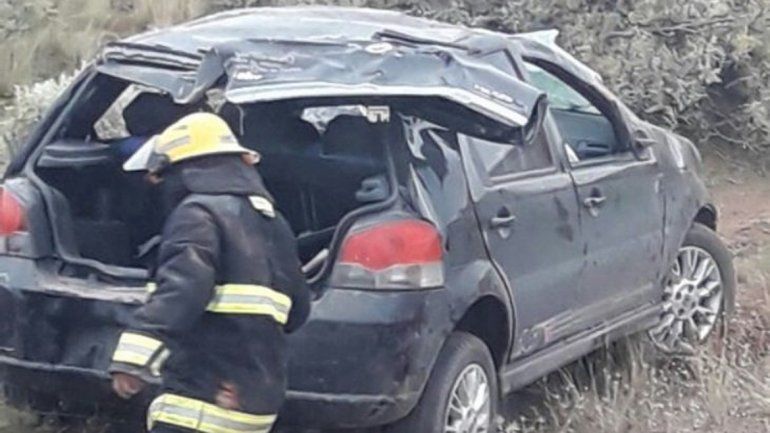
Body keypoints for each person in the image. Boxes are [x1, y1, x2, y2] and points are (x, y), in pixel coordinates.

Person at [109, 112, 311, 433]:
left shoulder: (197, 215)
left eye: (162, 176)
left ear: (183, 170)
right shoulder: (275, 222)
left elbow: (182, 291)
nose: (158, 186)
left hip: (203, 394)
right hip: (258, 397)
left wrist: (132, 360)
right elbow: (298, 310)